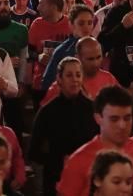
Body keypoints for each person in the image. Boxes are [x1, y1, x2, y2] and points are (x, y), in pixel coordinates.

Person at [56, 86, 133, 196]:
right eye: (114, 119)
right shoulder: (79, 160)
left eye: (127, 118)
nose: (122, 125)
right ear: (98, 118)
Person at [29, 57, 99, 196]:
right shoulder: (47, 111)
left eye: (78, 75)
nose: (75, 79)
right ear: (59, 79)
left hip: (89, 179)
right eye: (69, 75)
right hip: (57, 179)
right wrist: (59, 160)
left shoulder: (93, 109)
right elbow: (34, 152)